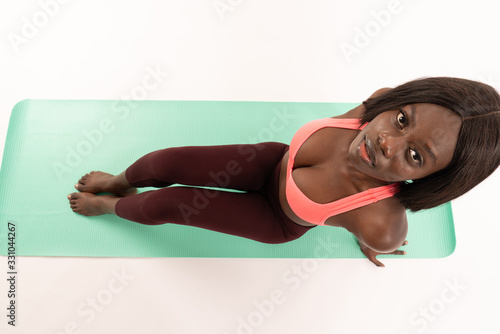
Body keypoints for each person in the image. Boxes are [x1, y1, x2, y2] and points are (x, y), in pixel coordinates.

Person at [67, 77, 500, 267]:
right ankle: (119, 181)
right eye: (402, 120)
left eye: (416, 157)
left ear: (432, 182)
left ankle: (112, 207)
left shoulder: (380, 221)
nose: (387, 140)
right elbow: (383, 122)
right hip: (271, 162)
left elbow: (377, 230)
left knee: (167, 202)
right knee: (162, 164)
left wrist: (373, 241)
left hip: (277, 218)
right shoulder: (377, 105)